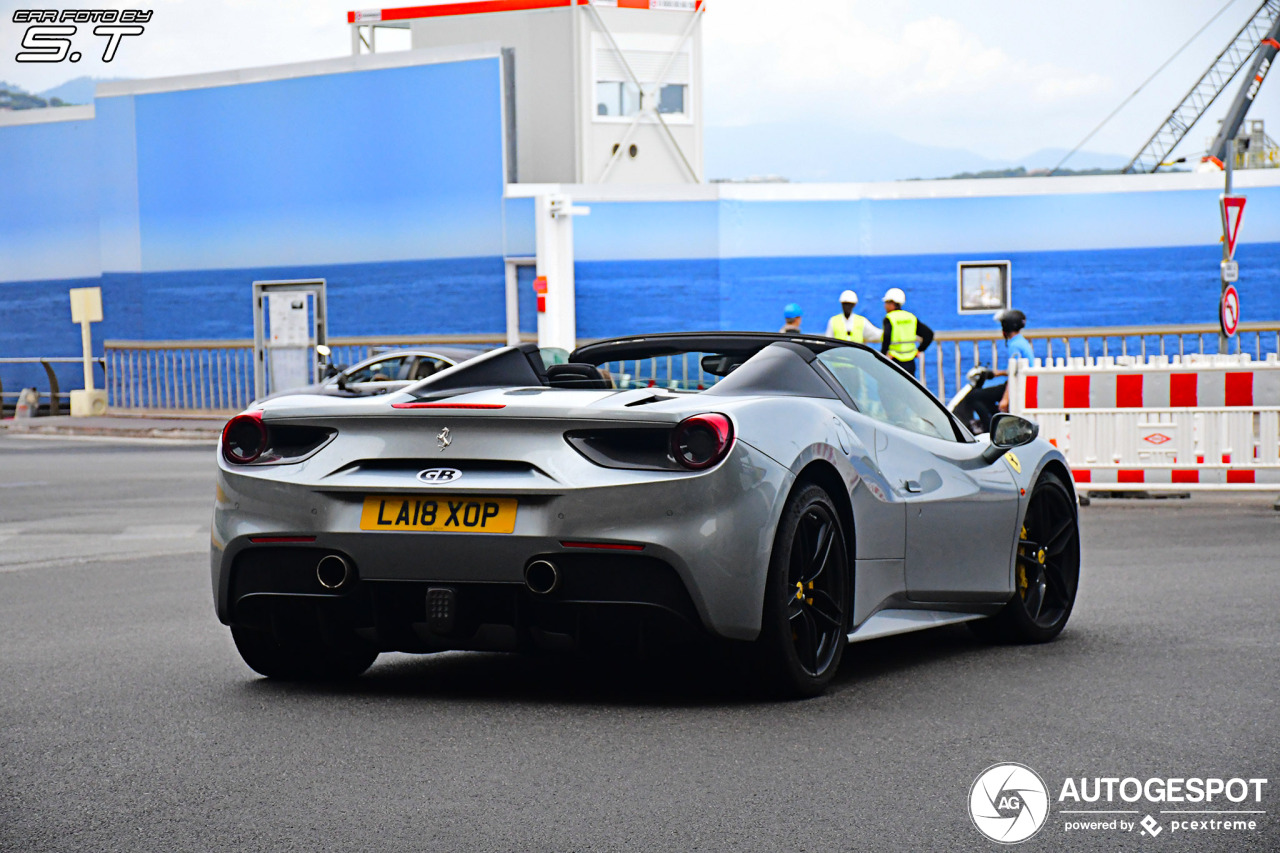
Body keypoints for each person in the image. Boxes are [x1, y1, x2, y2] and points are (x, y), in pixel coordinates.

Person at [969, 309, 1035, 428]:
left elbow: (1014, 375)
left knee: (974, 397)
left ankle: (989, 429)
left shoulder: (1014, 345)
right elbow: (1015, 369)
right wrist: (996, 373)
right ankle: (998, 424)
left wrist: (1005, 399)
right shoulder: (1021, 341)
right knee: (986, 396)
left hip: (1017, 385)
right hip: (1024, 383)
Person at [880, 288, 933, 378]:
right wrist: (919, 350)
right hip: (910, 362)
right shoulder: (910, 317)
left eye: (886, 303)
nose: (885, 306)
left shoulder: (890, 318)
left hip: (894, 360)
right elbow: (928, 334)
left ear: (892, 303)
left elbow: (887, 337)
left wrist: (883, 355)